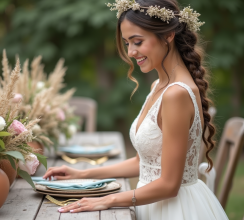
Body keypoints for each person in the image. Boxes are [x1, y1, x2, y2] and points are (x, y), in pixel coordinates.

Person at [43, 0, 229, 219]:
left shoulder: (176, 94)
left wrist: (107, 199)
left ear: (168, 34)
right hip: (152, 203)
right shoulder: (159, 86)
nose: (131, 52)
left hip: (174, 209)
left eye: (137, 42)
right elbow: (145, 162)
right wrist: (82, 174)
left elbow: (169, 185)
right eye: (127, 43)